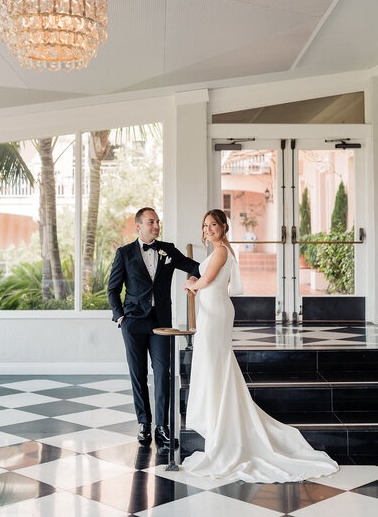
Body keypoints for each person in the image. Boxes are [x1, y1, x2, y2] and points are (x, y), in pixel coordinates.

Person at [182, 209, 339, 483]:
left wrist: (192, 282)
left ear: (223, 227)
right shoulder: (223, 248)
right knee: (216, 366)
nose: (208, 229)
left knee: (214, 365)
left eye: (213, 225)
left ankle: (222, 428)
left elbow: (206, 281)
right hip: (213, 310)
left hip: (216, 312)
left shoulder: (220, 251)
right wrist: (197, 283)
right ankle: (220, 421)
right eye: (205, 225)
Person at [108, 207, 200, 446]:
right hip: (133, 322)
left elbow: (194, 266)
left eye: (158, 222)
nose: (157, 226)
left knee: (163, 373)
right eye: (151, 222)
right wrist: (120, 317)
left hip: (161, 323)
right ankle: (143, 424)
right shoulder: (124, 253)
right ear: (138, 225)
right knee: (137, 375)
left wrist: (217, 264)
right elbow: (113, 289)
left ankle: (162, 426)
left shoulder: (167, 250)